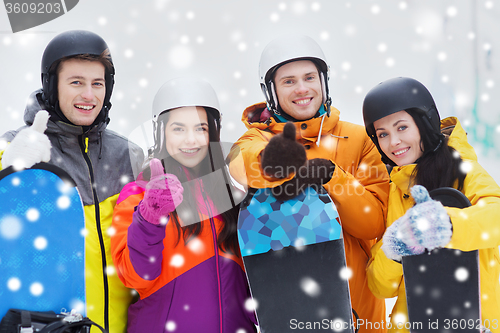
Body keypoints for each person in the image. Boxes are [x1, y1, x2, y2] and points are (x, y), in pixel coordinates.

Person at [227, 35, 390, 332]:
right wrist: (282, 163)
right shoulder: (255, 139)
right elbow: (242, 164)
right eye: (288, 81)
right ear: (271, 91)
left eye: (309, 77)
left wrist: (331, 177)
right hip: (291, 309)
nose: (302, 89)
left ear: (323, 81)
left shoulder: (358, 139)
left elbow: (373, 223)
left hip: (361, 313)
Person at [0, 30, 144, 332]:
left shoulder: (128, 155)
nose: (88, 95)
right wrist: (8, 174)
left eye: (97, 83)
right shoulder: (17, 145)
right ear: (51, 86)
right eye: (76, 82)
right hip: (50, 326)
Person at [110, 77, 257, 333]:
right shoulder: (138, 194)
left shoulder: (230, 197)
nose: (191, 140)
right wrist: (150, 216)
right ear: (161, 132)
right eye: (178, 129)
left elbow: (254, 292)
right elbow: (136, 276)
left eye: (201, 128)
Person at [363, 76, 500, 332]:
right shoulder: (396, 189)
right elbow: (381, 286)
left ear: (424, 122)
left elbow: (496, 218)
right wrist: (394, 250)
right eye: (383, 134)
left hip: (475, 321)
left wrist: (447, 224)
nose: (393, 142)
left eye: (402, 127)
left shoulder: (464, 169)